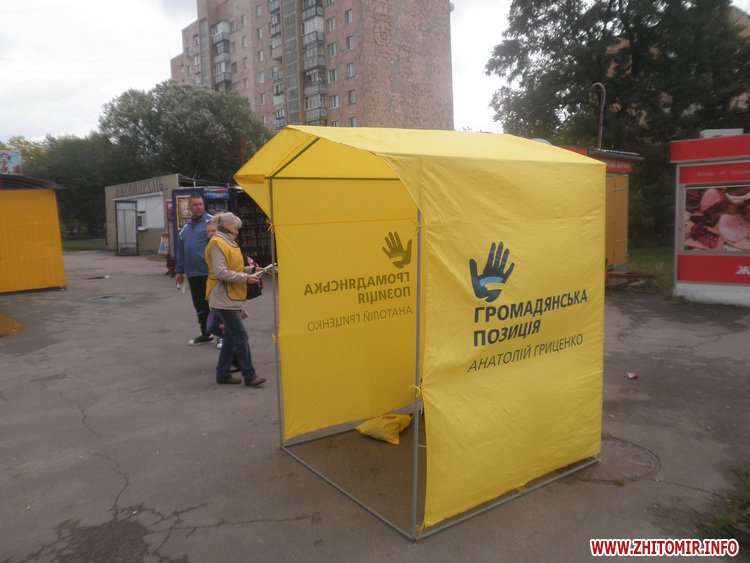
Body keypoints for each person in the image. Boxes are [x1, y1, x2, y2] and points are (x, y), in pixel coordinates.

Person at [205, 212, 267, 386]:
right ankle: (249, 376)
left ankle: (223, 373)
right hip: (223, 297)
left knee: (232, 337)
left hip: (227, 296)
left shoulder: (225, 242)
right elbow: (221, 272)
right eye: (236, 227)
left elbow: (231, 268)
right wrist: (246, 277)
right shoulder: (218, 243)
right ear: (227, 226)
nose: (238, 231)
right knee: (240, 336)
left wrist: (251, 270)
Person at [175, 194, 213, 345]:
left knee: (216, 305)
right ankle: (206, 334)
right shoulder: (185, 228)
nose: (199, 207)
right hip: (193, 273)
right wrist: (179, 271)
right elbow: (180, 250)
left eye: (201, 204)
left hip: (210, 273)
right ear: (189, 207)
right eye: (195, 205)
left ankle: (222, 336)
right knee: (200, 306)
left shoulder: (212, 223)